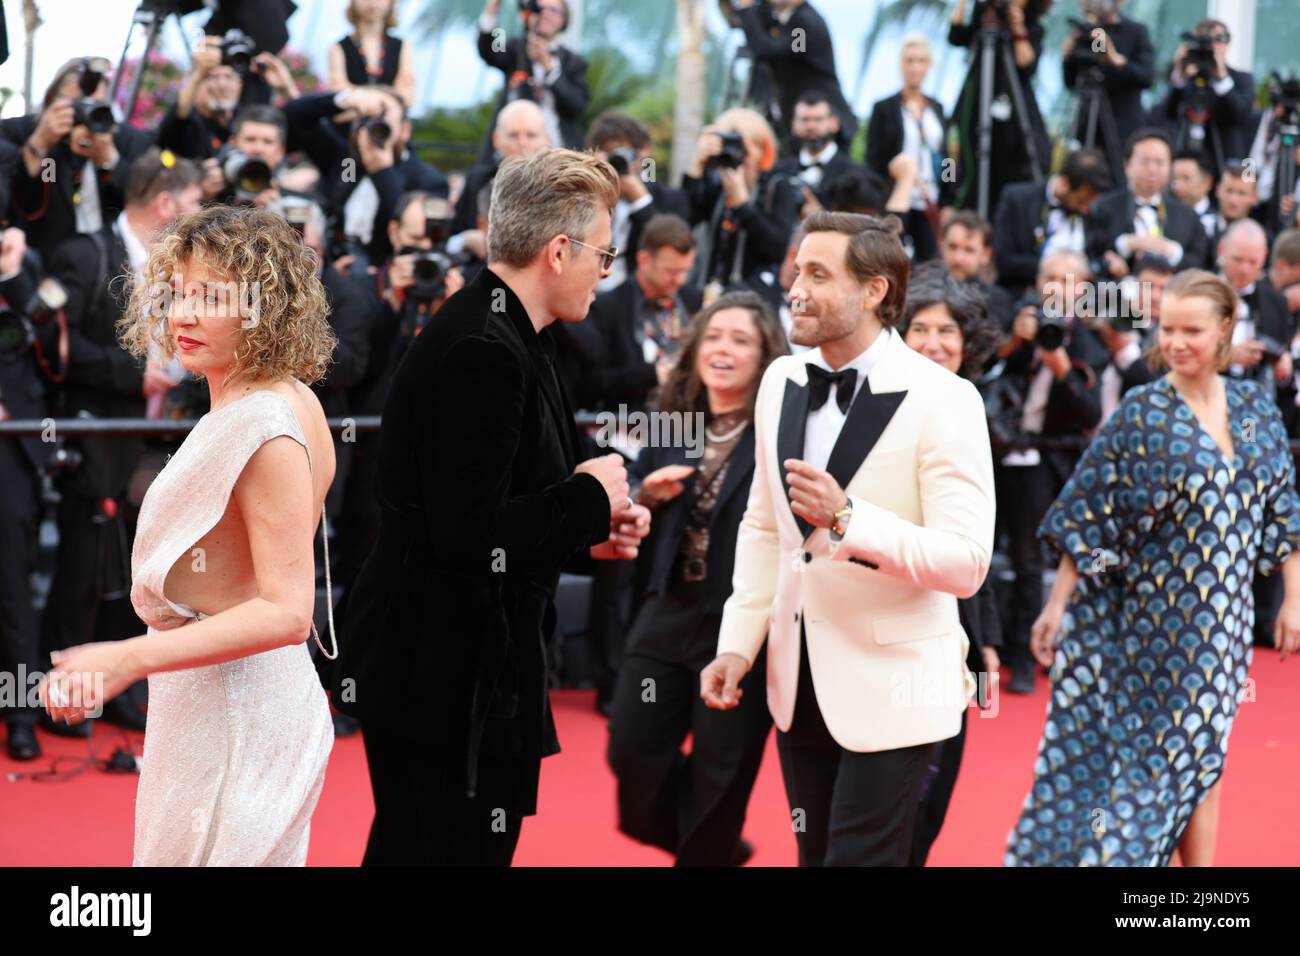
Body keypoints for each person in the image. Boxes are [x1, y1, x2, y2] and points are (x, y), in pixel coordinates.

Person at [331, 148, 651, 866]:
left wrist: (590, 531)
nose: (607, 272)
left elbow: (503, 502)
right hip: (442, 675)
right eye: (604, 254)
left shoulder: (513, 334)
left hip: (463, 667)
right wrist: (588, 500)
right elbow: (471, 535)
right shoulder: (483, 347)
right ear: (559, 251)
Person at [39, 205, 338, 865]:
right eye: (177, 293)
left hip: (237, 712)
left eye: (211, 297)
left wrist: (125, 660)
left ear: (263, 308)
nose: (184, 315)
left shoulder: (264, 424)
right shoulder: (283, 397)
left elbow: (288, 611)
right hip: (224, 703)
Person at [699, 212, 996, 866]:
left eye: (818, 275)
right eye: (796, 272)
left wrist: (847, 520)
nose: (796, 290)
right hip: (799, 681)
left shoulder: (945, 399)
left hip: (898, 687)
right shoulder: (780, 381)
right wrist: (738, 643)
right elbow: (764, 527)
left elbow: (967, 562)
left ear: (874, 291)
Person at [1008, 269, 1300, 866]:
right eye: (1167, 329)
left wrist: (1294, 598)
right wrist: (1057, 605)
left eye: (1192, 330)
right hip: (1151, 627)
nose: (1176, 343)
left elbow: (1283, 510)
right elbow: (1090, 513)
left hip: (1225, 630)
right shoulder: (1143, 411)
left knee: (1205, 761)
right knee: (1155, 769)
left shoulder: (1252, 410)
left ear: (1226, 328)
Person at [607, 290, 788, 866]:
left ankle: (707, 848)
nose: (723, 350)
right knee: (630, 749)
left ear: (765, 357)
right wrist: (645, 496)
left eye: (741, 340)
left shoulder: (778, 430)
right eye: (713, 337)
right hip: (669, 607)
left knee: (720, 774)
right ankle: (713, 850)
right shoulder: (673, 421)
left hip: (743, 621)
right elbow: (631, 505)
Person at [38, 149, 202, 738]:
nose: (199, 216)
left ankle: (125, 691)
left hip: (163, 439)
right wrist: (133, 377)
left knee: (146, 570)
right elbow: (54, 347)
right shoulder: (86, 256)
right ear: (166, 203)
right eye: (193, 204)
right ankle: (63, 694)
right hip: (100, 438)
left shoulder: (184, 267)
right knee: (84, 567)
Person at [896, 262, 1003, 865]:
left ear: (968, 345)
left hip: (954, 630)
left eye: (947, 332)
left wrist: (986, 642)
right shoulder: (874, 409)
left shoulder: (972, 412)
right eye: (920, 329)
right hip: (886, 626)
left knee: (931, 797)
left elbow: (977, 540)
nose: (933, 344)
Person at [681, 108, 801, 301]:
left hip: (754, 301)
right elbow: (682, 224)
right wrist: (696, 168)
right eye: (725, 145)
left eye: (740, 146)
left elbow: (777, 249)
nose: (734, 154)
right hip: (707, 295)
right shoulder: (716, 184)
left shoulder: (778, 187)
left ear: (762, 150)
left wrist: (742, 205)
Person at [947, 0, 1053, 215]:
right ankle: (950, 199)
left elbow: (1027, 65)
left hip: (1013, 114)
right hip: (976, 103)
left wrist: (1018, 28)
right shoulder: (984, 13)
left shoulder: (1032, 27)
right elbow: (956, 37)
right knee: (955, 157)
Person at [866, 35, 953, 262]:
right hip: (896, 197)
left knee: (929, 264)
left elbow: (948, 159)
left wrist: (948, 199)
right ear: (901, 64)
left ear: (929, 66)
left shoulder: (937, 108)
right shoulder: (884, 108)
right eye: (910, 60)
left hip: (929, 199)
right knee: (891, 258)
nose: (915, 67)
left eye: (921, 61)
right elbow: (873, 159)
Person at [730, 0, 858, 153]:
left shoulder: (803, 23)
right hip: (802, 126)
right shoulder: (793, 20)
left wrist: (747, 9)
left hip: (822, 127)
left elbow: (768, 51)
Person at [586, 111, 691, 291]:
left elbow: (668, 247)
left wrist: (641, 202)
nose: (618, 161)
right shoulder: (586, 194)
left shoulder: (670, 199)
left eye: (624, 153)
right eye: (610, 154)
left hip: (637, 292)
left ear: (643, 153)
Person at [1087, 128, 1207, 280]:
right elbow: (1090, 255)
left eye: (1159, 162)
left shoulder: (1186, 215)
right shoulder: (1103, 207)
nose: (1152, 169)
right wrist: (1123, 247)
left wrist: (1173, 252)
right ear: (1127, 165)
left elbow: (1200, 262)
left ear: (1170, 167)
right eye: (1145, 161)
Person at [994, 148, 1112, 295]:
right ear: (1064, 183)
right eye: (1081, 201)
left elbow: (1097, 255)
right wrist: (1057, 267)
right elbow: (1004, 261)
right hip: (1025, 294)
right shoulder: (1018, 200)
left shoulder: (1093, 213)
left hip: (1080, 300)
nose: (1085, 209)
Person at [476, 0, 588, 154]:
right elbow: (489, 50)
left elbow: (576, 105)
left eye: (553, 10)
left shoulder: (574, 62)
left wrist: (549, 68)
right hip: (514, 151)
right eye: (539, 8)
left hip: (559, 149)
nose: (545, 13)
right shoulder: (514, 48)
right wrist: (494, 7)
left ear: (564, 20)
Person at [1158, 18, 1255, 180]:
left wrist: (1221, 78)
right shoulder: (1186, 78)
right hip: (1188, 163)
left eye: (1221, 39)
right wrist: (1180, 73)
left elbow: (1241, 115)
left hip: (1225, 165)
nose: (1216, 46)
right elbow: (1168, 112)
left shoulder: (1241, 79)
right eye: (1209, 41)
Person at [1061, 0, 1154, 152]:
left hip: (1122, 129)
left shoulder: (1136, 31)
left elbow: (1146, 77)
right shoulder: (1084, 31)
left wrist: (1115, 59)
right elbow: (1071, 82)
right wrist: (1068, 58)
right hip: (1088, 125)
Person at [773, 92, 861, 208]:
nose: (811, 126)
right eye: (804, 119)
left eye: (818, 119)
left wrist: (823, 216)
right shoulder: (777, 173)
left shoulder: (857, 175)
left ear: (835, 123)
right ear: (793, 124)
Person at [328, 0, 416, 108]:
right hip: (353, 115)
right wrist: (387, 97)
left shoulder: (403, 47)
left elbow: (406, 96)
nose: (372, 3)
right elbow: (338, 90)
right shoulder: (338, 48)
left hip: (390, 116)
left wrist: (358, 94)